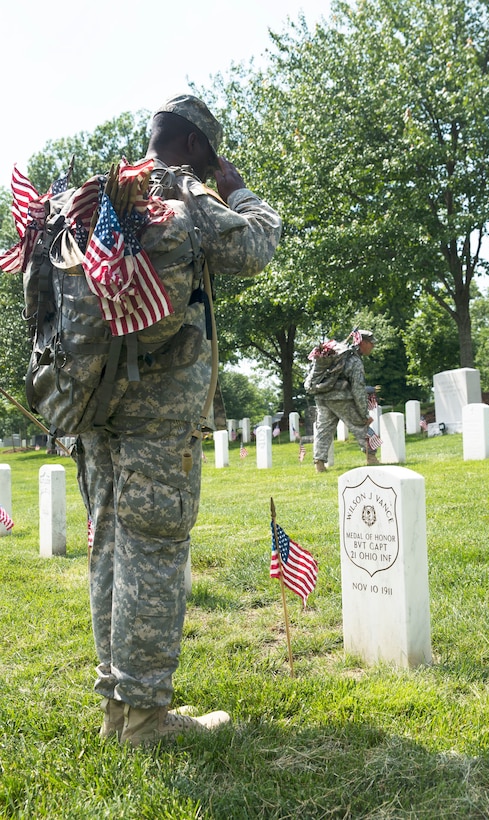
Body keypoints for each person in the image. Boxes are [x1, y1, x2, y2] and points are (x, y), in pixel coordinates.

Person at [73, 94, 283, 746]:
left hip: (91, 410)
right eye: (211, 151)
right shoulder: (180, 193)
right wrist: (240, 190)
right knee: (154, 554)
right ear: (194, 145)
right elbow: (256, 247)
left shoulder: (100, 197)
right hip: (155, 417)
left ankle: (118, 709)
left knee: (109, 550)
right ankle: (144, 720)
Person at [312, 329, 380, 472]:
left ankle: (319, 463)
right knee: (361, 425)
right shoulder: (354, 360)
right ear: (363, 343)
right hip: (340, 398)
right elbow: (358, 389)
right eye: (371, 343)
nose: (373, 346)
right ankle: (372, 458)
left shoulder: (337, 356)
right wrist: (364, 414)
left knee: (323, 429)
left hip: (322, 396)